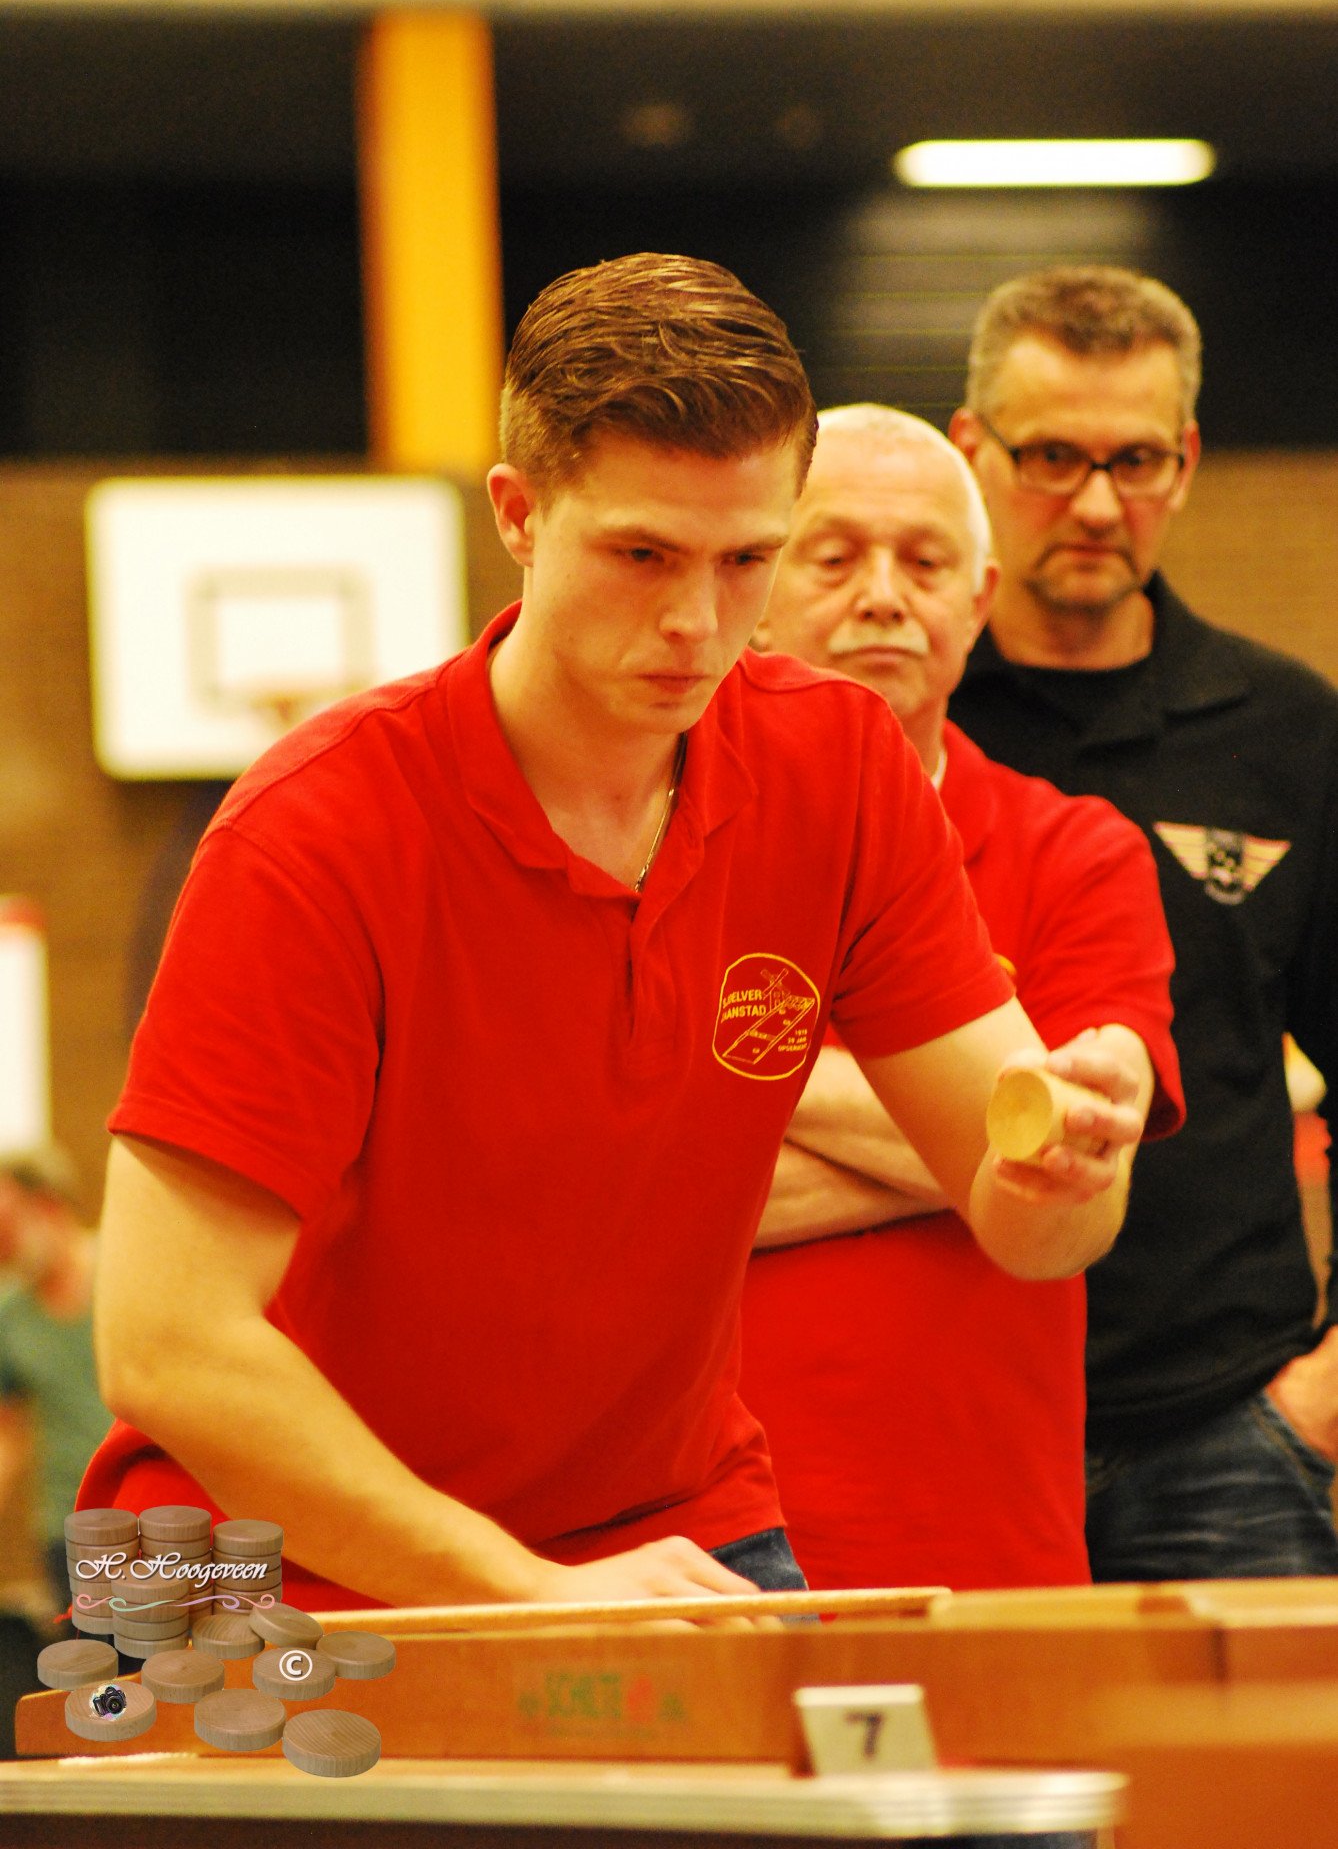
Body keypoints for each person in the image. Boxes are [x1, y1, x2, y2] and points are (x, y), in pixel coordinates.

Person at [80, 254, 1145, 1612]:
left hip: (665, 1522)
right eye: (642, 555)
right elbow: (164, 1346)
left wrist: (1067, 1166)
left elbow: (1035, 1226)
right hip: (253, 1553)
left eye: (747, 561)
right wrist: (524, 1590)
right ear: (519, 514)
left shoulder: (836, 768)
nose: (696, 622)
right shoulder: (314, 831)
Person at [741, 406, 1182, 1590]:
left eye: (926, 562)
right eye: (834, 556)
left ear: (980, 599)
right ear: (752, 581)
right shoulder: (641, 841)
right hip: (685, 1554)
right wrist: (972, 1132)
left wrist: (716, 1086)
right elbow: (592, 1191)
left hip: (982, 1544)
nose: (884, 596)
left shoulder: (1078, 852)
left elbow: (1074, 1180)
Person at [948, 265, 1338, 1580]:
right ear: (973, 450)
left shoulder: (1288, 732)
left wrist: (1319, 1400)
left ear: (1185, 461)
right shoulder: (897, 730)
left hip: (1228, 1433)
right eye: (1052, 457)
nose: (1097, 503)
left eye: (1135, 460)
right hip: (947, 1423)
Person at [0, 1150, 111, 1618]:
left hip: (151, 1520)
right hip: (66, 1531)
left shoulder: (127, 1275)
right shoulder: (10, 1316)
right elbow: (8, 1434)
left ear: (48, 1205)